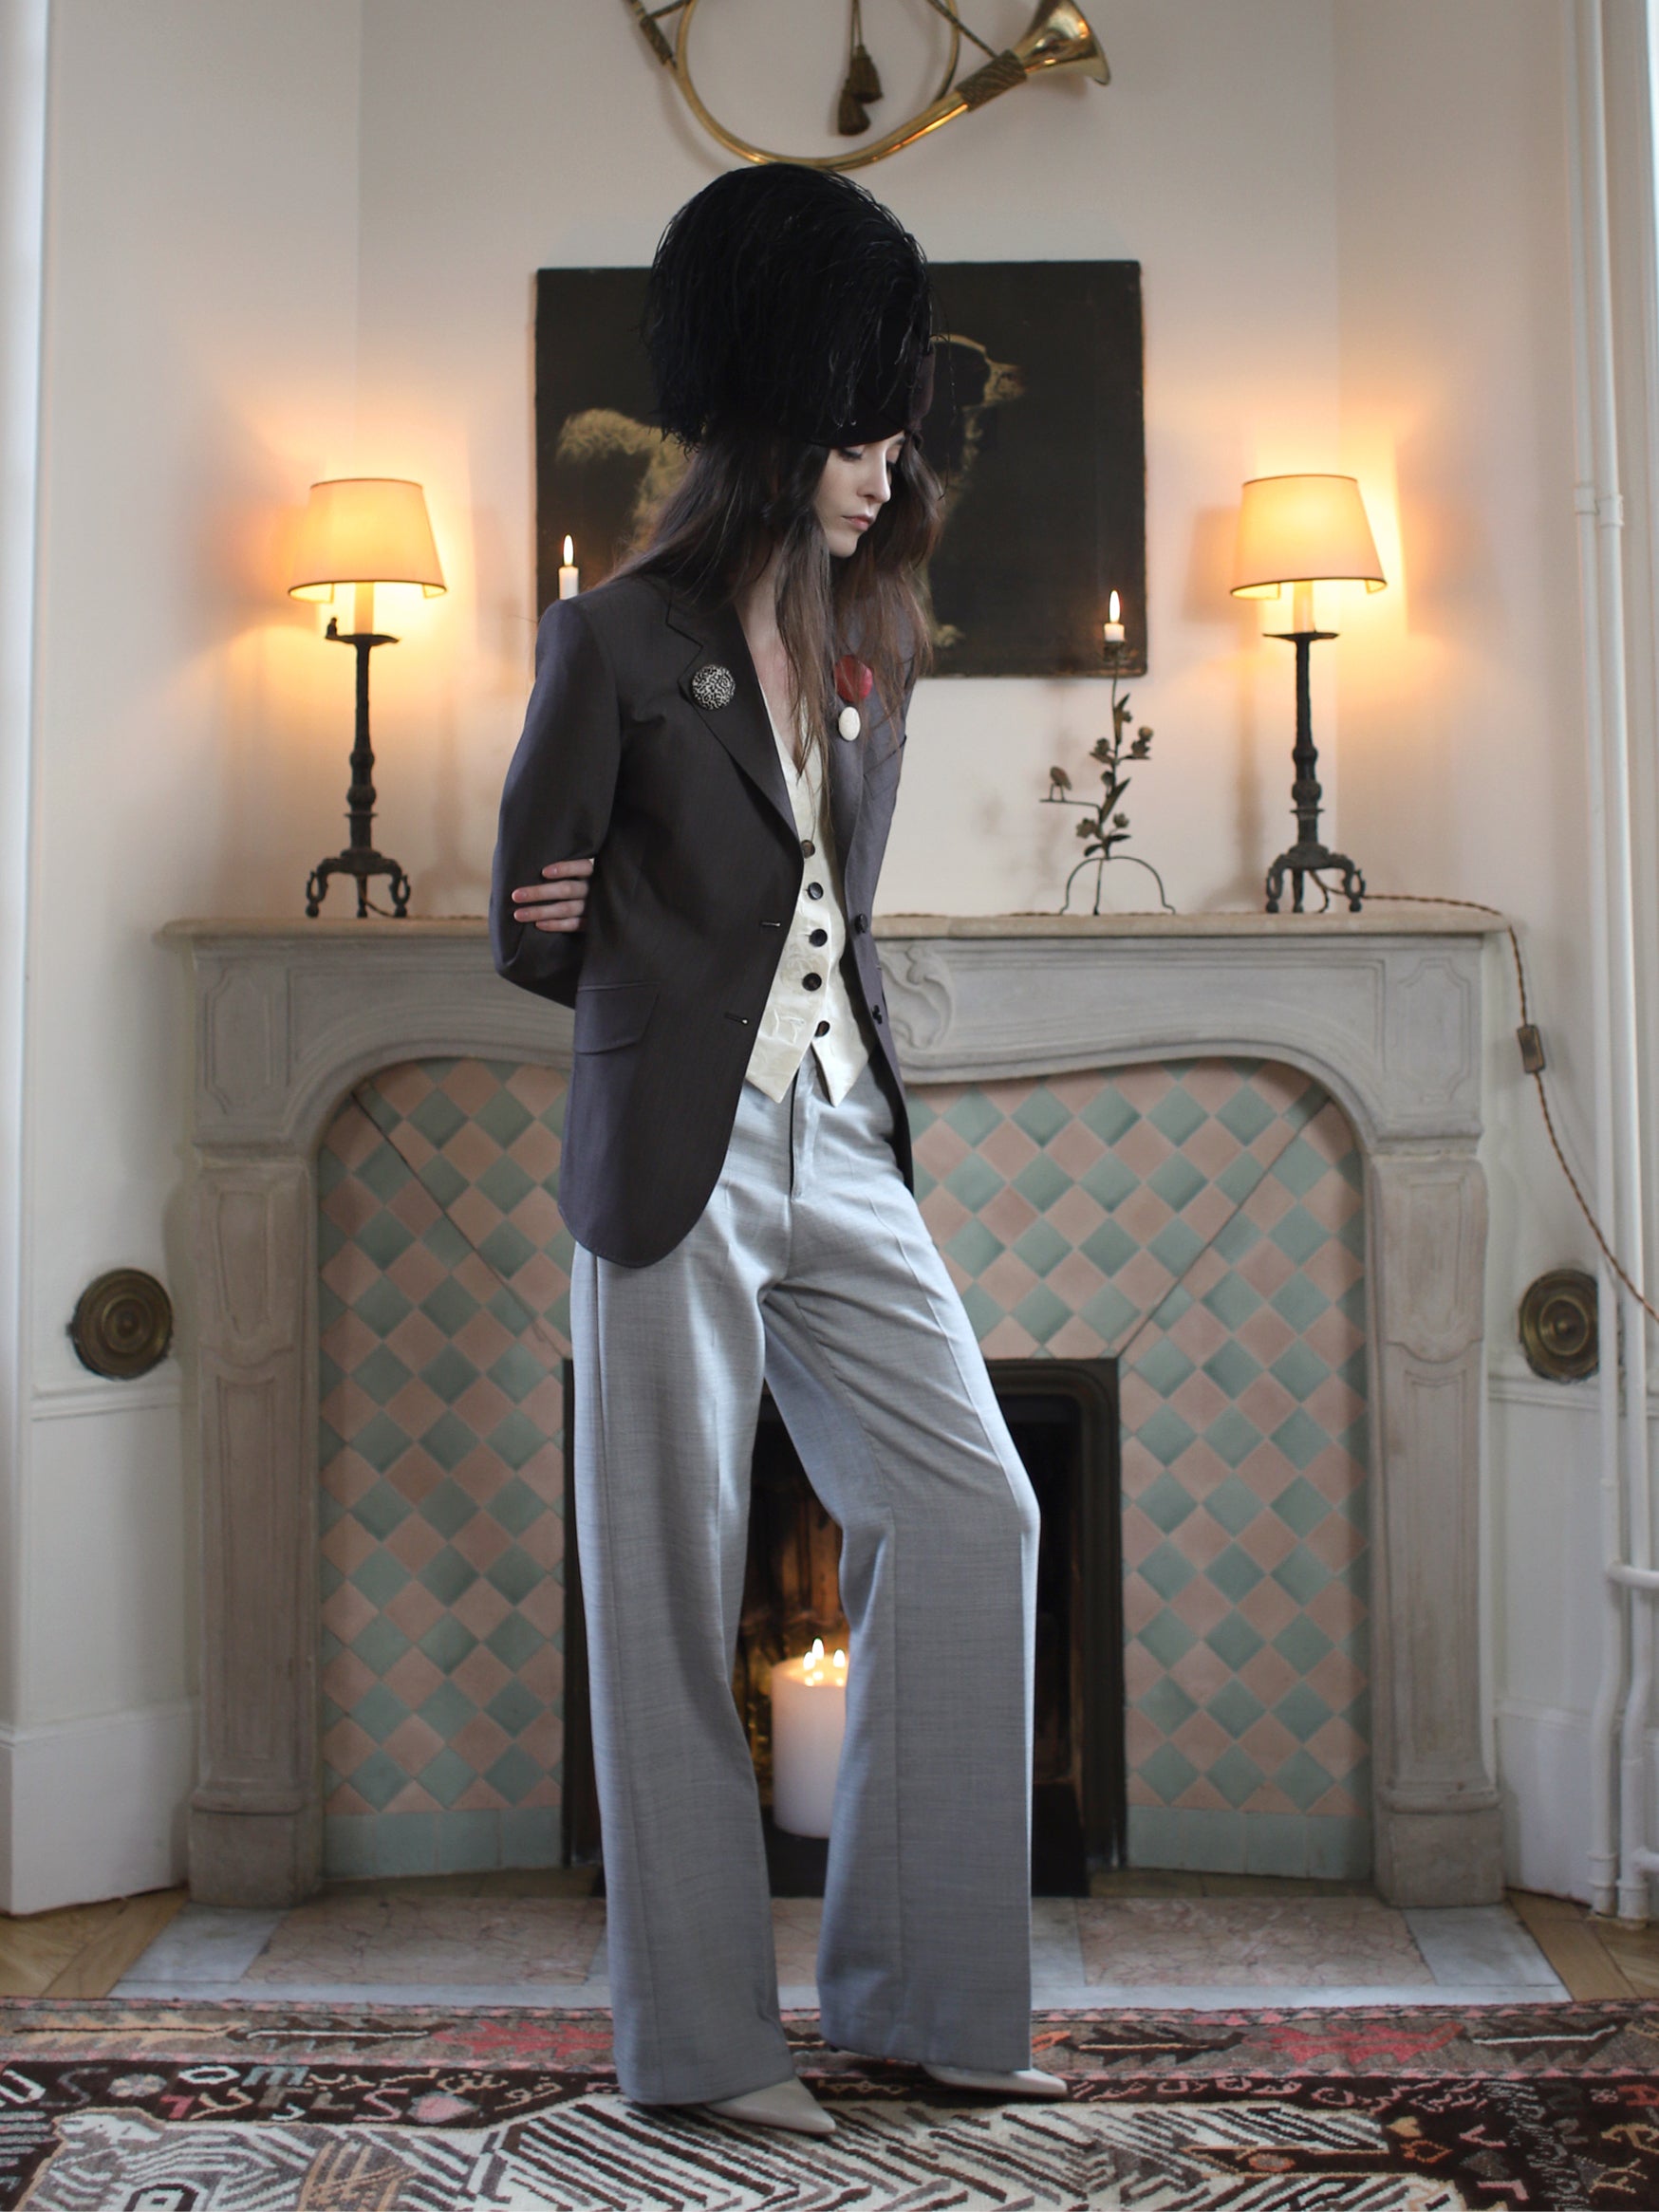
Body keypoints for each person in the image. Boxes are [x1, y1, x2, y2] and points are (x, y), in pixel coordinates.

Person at [490, 163, 1062, 2137]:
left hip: (842, 1136)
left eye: (896, 435)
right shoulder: (612, 638)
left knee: (974, 1508)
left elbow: (835, 893)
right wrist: (659, 969)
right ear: (772, 417)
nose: (887, 468)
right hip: (674, 1144)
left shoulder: (873, 637)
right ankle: (706, 2047)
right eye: (860, 431)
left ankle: (924, 1996)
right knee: (662, 1588)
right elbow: (532, 923)